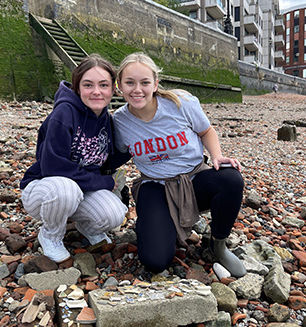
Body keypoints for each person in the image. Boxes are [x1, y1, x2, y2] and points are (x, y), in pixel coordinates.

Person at [112, 52, 246, 277]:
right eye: (130, 83)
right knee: (155, 261)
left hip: (193, 179)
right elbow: (117, 155)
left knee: (230, 178)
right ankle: (164, 225)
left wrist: (217, 156)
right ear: (119, 86)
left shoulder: (180, 103)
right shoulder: (119, 120)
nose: (137, 89)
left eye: (145, 82)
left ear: (155, 84)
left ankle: (218, 244)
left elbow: (206, 131)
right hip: (155, 186)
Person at [20, 54, 128, 263]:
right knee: (66, 189)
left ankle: (85, 226)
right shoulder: (65, 112)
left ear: (113, 89)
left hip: (80, 189)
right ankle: (51, 235)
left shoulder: (105, 119)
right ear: (78, 88)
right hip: (44, 189)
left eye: (103, 85)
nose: (96, 92)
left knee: (115, 214)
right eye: (88, 85)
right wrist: (104, 182)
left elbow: (104, 161)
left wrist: (132, 147)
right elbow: (53, 166)